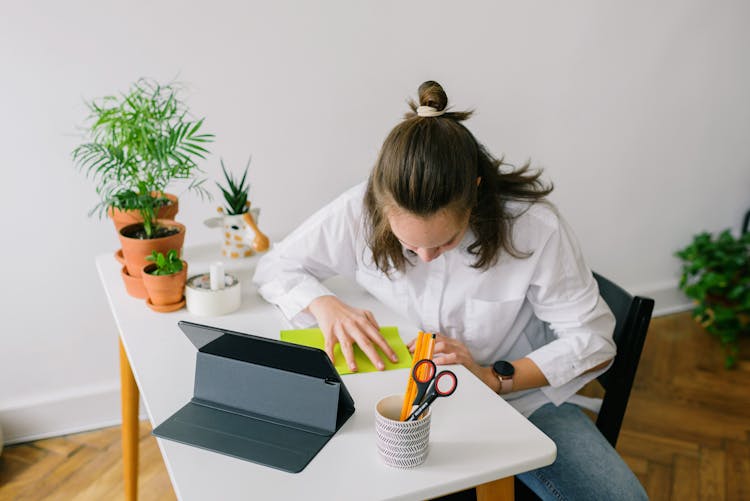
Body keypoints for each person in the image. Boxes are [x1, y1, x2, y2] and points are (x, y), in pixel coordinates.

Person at [252, 81, 647, 500]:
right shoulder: (358, 210)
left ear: (475, 192)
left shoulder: (535, 227)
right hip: (398, 391)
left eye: (444, 242)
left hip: (520, 401)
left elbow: (593, 340)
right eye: (410, 244)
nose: (425, 258)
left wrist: (493, 378)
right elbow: (275, 266)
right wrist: (325, 304)